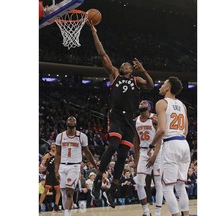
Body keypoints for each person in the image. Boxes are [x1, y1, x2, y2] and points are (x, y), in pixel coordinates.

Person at [88, 22, 154, 208]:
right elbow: (102, 54)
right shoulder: (114, 74)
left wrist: (143, 69)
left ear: (131, 69)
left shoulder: (137, 80)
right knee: (113, 146)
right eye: (123, 64)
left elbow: (150, 85)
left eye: (127, 65)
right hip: (116, 115)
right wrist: (94, 33)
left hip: (129, 120)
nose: (124, 65)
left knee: (124, 154)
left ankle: (113, 187)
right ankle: (98, 179)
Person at [146, 77, 191, 216]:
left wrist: (152, 145)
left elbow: (162, 130)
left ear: (168, 88)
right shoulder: (182, 105)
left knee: (167, 187)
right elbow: (186, 130)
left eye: (164, 83)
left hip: (171, 144)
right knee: (180, 185)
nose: (161, 85)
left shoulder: (161, 103)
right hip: (184, 143)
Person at [54, 116, 98, 216]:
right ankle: (67, 212)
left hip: (74, 166)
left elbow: (87, 153)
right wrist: (56, 170)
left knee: (70, 192)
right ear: (66, 122)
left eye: (73, 119)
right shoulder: (60, 136)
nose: (71, 120)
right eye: (69, 119)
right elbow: (57, 154)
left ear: (76, 123)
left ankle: (67, 214)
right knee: (64, 193)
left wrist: (95, 166)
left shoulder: (81, 136)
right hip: (62, 166)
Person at [133, 100, 163, 216]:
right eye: (140, 102)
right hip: (144, 151)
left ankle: (158, 213)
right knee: (140, 183)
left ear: (149, 108)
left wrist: (155, 155)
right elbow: (135, 142)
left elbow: (159, 137)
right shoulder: (136, 121)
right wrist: (136, 161)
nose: (141, 103)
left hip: (157, 150)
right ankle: (146, 212)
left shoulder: (154, 119)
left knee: (158, 183)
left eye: (144, 103)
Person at [39, 142, 61, 212]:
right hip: (50, 174)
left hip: (57, 173)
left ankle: (56, 206)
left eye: (55, 145)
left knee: (58, 190)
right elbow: (42, 164)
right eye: (52, 145)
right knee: (45, 190)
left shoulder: (59, 154)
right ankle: (39, 205)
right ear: (50, 146)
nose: (54, 146)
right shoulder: (47, 155)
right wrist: (43, 166)